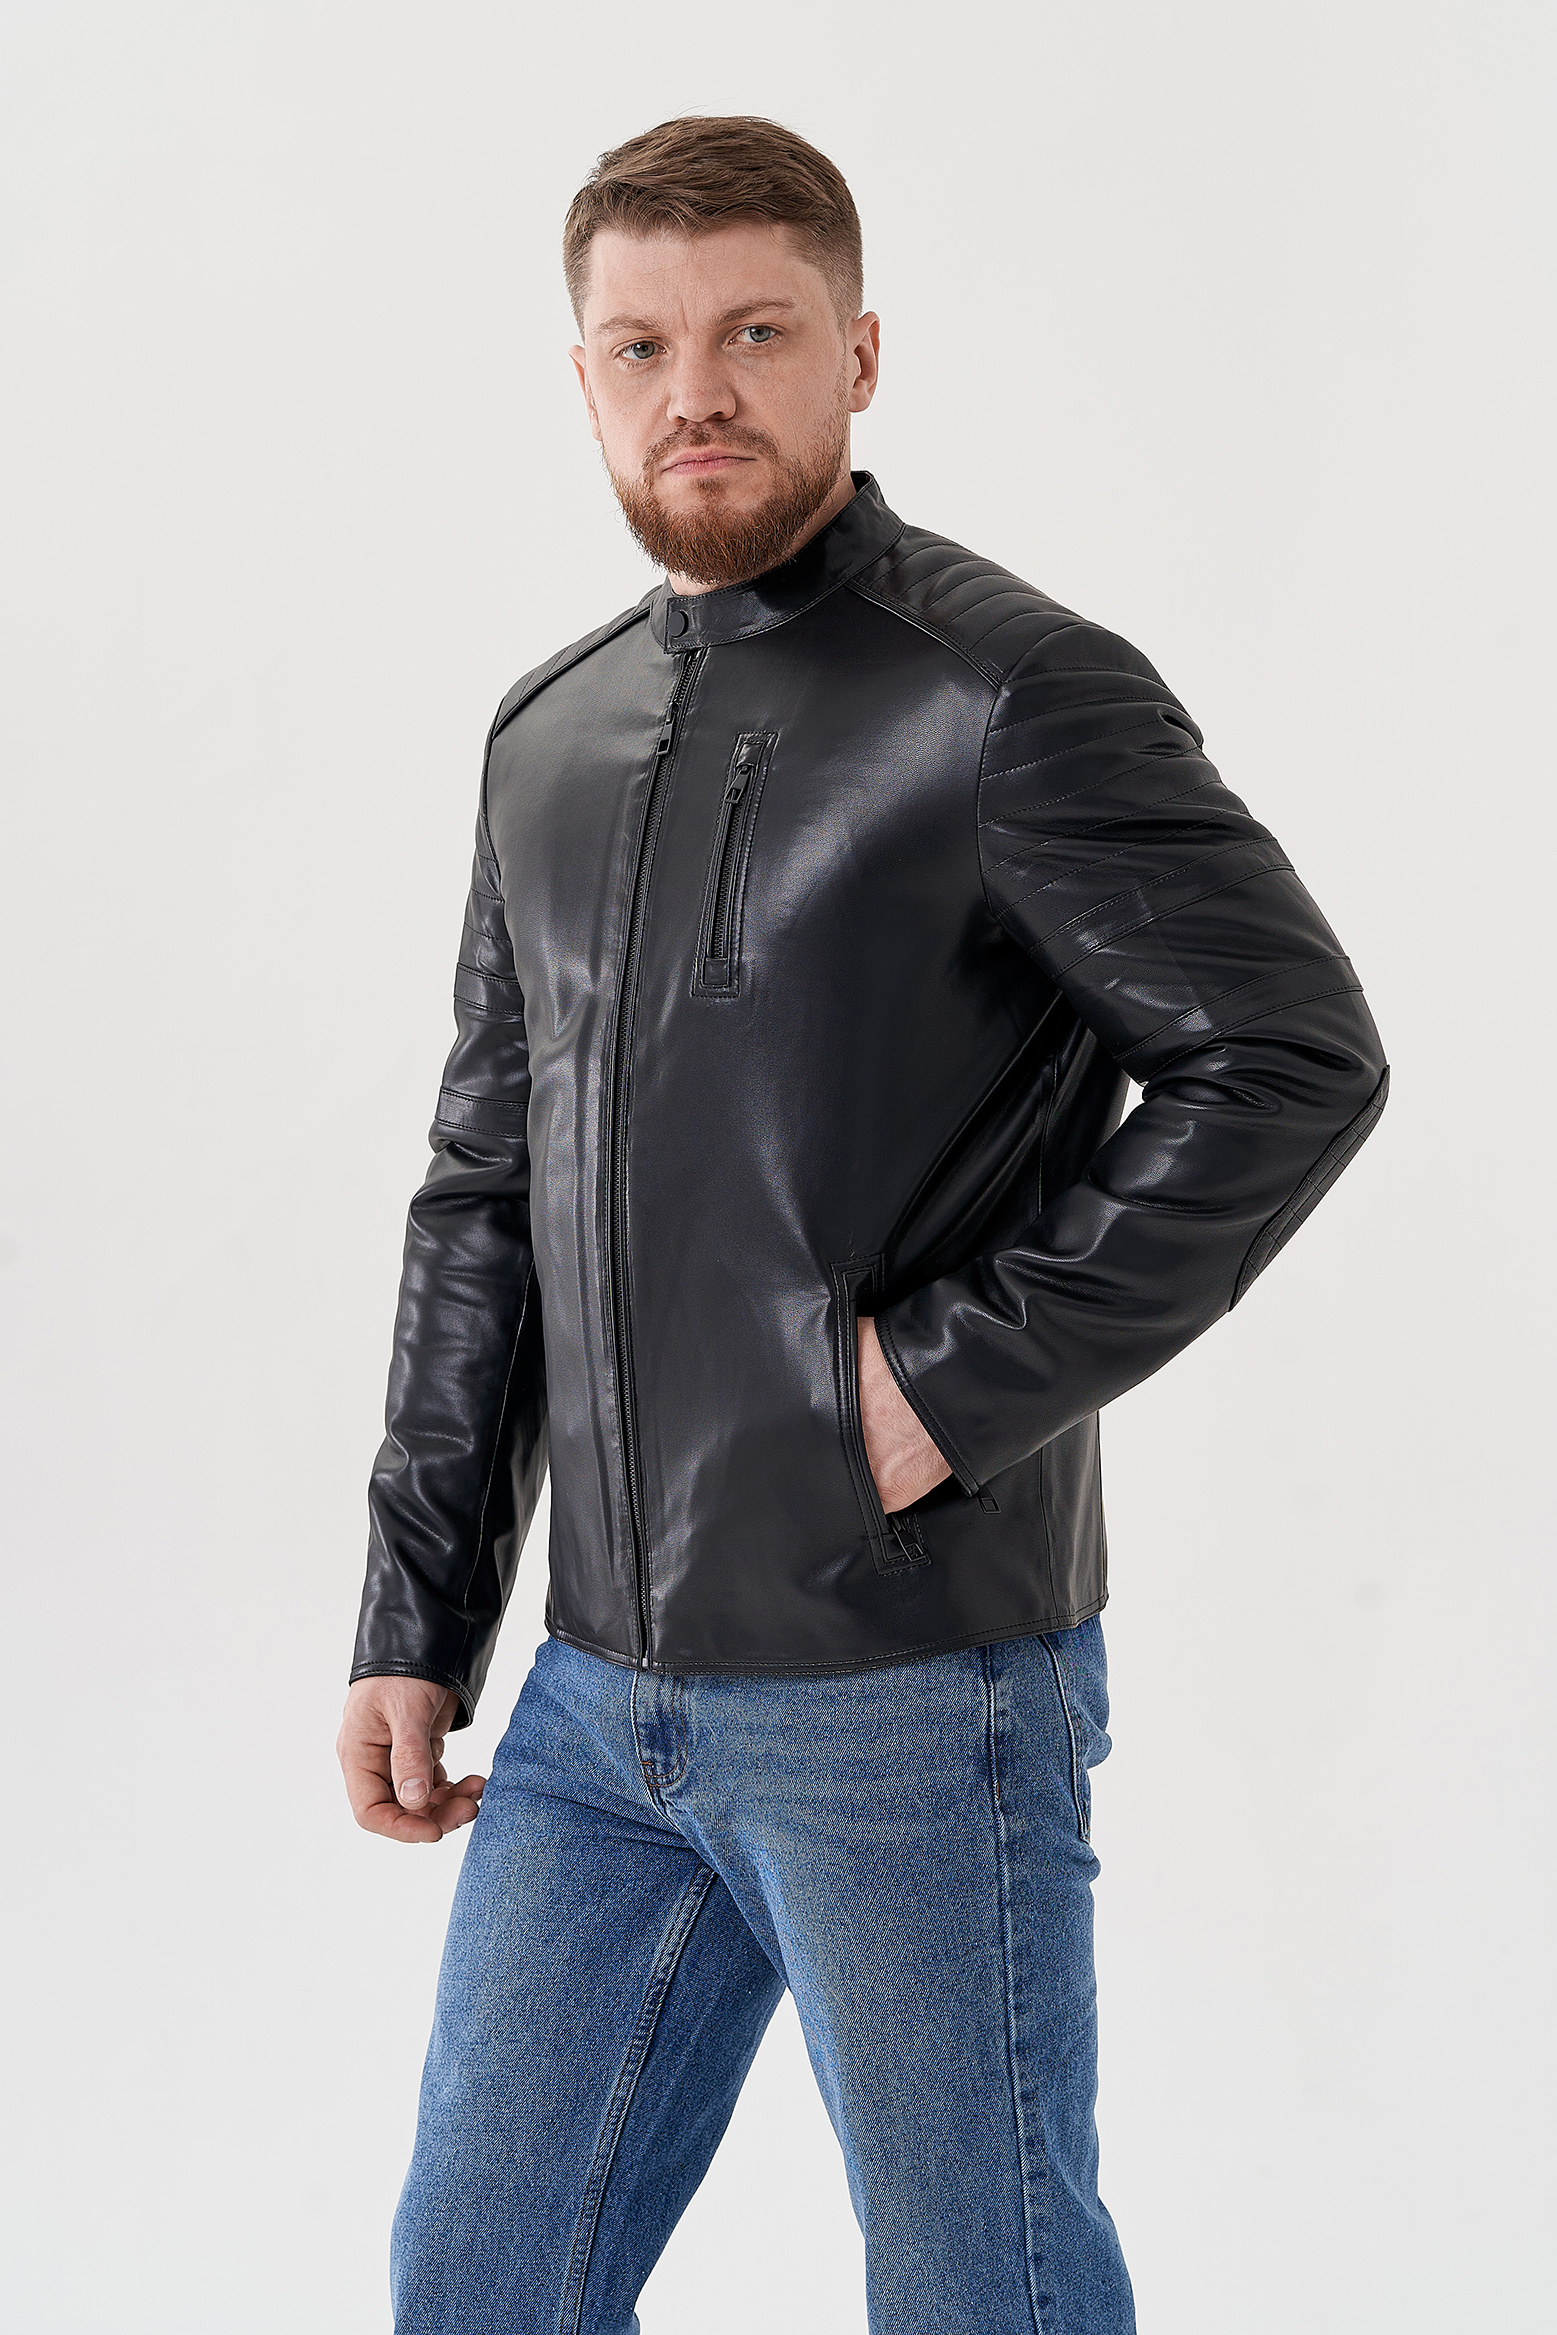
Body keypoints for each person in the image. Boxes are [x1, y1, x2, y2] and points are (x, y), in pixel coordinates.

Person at [337, 114, 1389, 2335]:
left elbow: (1285, 1056)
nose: (695, 389)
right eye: (641, 345)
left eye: (755, 332)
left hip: (908, 1687)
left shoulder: (1005, 692)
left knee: (980, 2290)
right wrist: (416, 1608)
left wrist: (933, 1393)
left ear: (859, 355)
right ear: (583, 376)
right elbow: (483, 1192)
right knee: (475, 2278)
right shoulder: (547, 735)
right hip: (593, 1701)